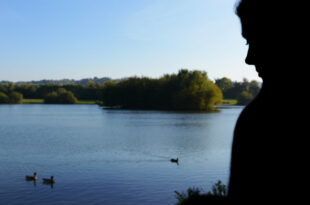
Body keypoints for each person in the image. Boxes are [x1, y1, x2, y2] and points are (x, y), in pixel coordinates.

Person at [228, 0, 307, 202]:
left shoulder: (256, 121)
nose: (248, 58)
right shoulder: (255, 117)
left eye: (257, 40)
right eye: (247, 42)